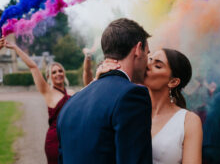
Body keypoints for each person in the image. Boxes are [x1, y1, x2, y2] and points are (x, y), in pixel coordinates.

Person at [57, 18, 153, 164]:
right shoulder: (132, 95)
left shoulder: (72, 102)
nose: (148, 62)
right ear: (138, 49)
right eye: (147, 53)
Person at [97, 48, 203, 164]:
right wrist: (99, 82)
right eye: (150, 59)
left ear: (173, 82)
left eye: (157, 66)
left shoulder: (188, 121)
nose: (147, 65)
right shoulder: (128, 109)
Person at [2, 38, 75, 164]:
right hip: (54, 141)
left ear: (64, 73)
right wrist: (15, 48)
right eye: (54, 72)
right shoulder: (47, 91)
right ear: (49, 76)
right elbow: (33, 66)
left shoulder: (72, 92)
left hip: (71, 139)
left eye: (60, 70)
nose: (58, 73)